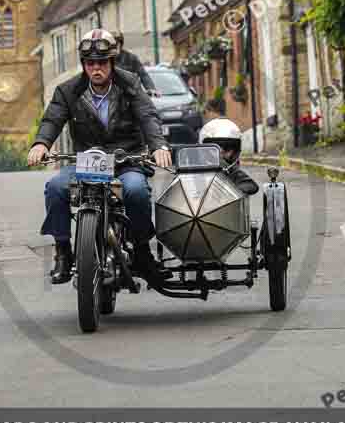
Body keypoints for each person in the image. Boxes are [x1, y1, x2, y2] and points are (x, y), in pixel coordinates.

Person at [27, 28, 172, 286]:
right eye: (90, 63)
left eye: (102, 63)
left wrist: (158, 146)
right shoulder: (67, 91)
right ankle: (63, 251)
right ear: (84, 65)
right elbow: (53, 118)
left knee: (137, 191)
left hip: (127, 160)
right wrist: (41, 144)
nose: (96, 68)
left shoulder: (130, 84)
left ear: (112, 62)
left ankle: (141, 251)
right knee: (56, 188)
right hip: (87, 162)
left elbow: (147, 115)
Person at [198, 118, 259, 196]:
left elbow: (250, 185)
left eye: (232, 147)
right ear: (205, 148)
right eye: (224, 148)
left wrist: (229, 190)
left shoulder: (231, 171)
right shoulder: (193, 171)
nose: (229, 154)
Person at [111, 31, 158, 95]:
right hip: (110, 95)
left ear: (120, 45)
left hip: (128, 94)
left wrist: (151, 88)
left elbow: (143, 74)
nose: (114, 49)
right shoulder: (105, 59)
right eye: (112, 46)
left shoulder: (131, 58)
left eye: (116, 45)